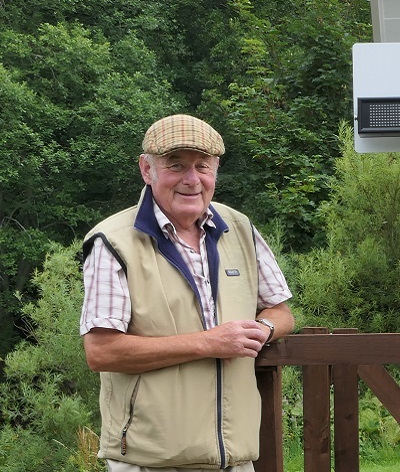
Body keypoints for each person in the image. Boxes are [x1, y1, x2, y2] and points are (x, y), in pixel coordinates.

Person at [79, 114, 295, 472]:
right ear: (147, 169)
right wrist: (209, 342)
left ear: (215, 171)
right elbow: (101, 351)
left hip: (235, 458)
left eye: (202, 166)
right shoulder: (113, 241)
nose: (192, 179)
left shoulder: (239, 228)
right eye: (176, 165)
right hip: (151, 461)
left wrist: (262, 330)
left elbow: (281, 312)